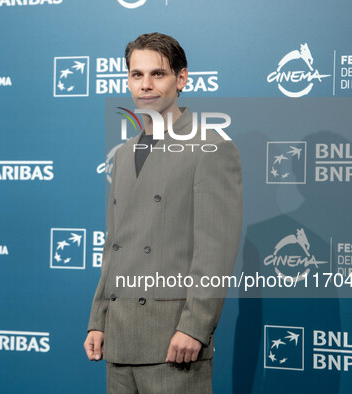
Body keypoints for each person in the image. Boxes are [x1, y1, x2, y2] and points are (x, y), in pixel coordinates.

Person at [84, 32, 243, 393]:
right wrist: (99, 320)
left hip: (173, 343)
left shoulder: (211, 147)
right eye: (137, 75)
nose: (146, 85)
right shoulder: (123, 155)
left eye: (158, 74)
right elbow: (116, 247)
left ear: (181, 79)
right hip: (119, 342)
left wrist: (195, 327)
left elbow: (214, 252)